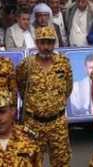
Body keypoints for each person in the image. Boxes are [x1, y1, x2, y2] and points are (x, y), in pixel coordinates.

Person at [16, 25, 73, 165]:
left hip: (57, 122)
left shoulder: (63, 63)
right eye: (43, 42)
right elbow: (22, 87)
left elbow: (68, 88)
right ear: (37, 43)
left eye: (50, 42)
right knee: (33, 161)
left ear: (54, 43)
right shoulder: (27, 64)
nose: (46, 47)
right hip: (34, 123)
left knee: (61, 161)